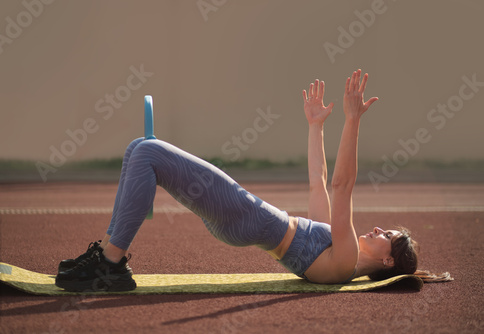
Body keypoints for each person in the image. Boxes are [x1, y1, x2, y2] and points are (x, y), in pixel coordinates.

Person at [55, 69, 452, 292]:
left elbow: (343, 186)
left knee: (147, 152)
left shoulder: (346, 261)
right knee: (137, 148)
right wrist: (316, 127)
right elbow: (320, 182)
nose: (381, 229)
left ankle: (111, 264)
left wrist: (353, 121)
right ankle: (108, 252)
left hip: (246, 216)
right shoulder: (335, 245)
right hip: (246, 218)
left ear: (386, 260)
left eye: (390, 236)